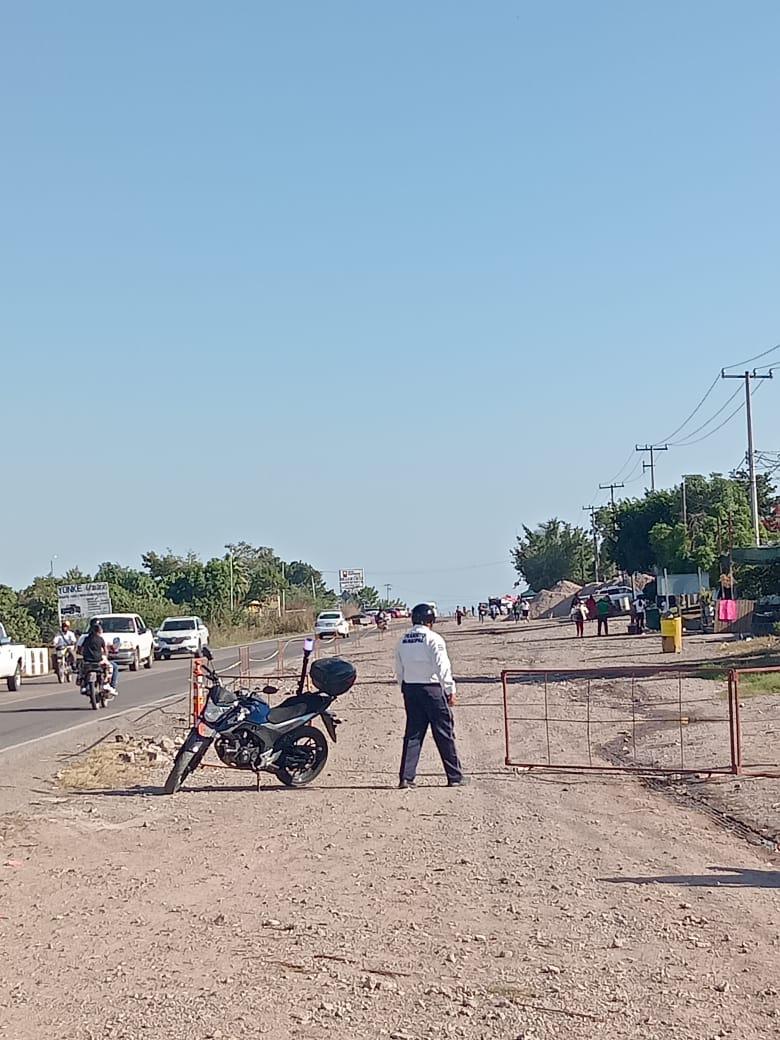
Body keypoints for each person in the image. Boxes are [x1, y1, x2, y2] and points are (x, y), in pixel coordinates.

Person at [394, 602, 465, 789]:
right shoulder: (434, 639)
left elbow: (398, 668)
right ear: (430, 621)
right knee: (444, 733)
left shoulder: (403, 639)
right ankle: (454, 776)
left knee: (413, 734)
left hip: (411, 689)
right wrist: (450, 690)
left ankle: (406, 778)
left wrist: (403, 687)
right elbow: (442, 667)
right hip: (432, 689)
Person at [79, 619, 118, 695]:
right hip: (99, 660)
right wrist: (107, 655)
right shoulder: (102, 638)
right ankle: (110, 686)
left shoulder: (85, 638)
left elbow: (80, 648)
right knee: (113, 667)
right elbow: (107, 649)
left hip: (87, 660)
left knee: (81, 669)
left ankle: (83, 684)